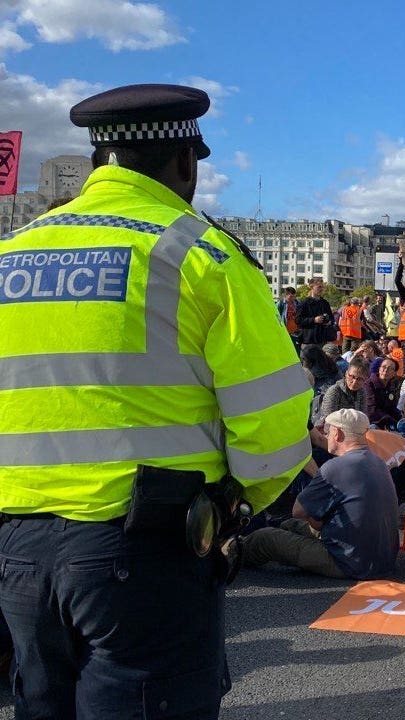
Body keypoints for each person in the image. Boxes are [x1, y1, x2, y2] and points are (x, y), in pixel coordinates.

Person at [0, 84, 312, 718]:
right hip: (144, 553)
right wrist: (237, 503)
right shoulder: (200, 254)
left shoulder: (12, 255)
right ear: (185, 163)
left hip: (16, 551)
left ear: (97, 162)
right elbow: (275, 422)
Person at [242, 410, 398, 580]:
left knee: (265, 538)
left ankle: (230, 554)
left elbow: (299, 511)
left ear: (337, 433)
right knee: (289, 525)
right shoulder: (379, 463)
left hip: (349, 561)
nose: (325, 436)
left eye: (327, 431)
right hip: (383, 558)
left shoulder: (335, 467)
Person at [316, 356, 367, 425]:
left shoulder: (362, 392)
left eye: (359, 379)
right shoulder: (334, 391)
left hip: (353, 429)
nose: (354, 382)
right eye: (352, 376)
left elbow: (362, 417)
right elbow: (329, 420)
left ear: (365, 379)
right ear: (346, 374)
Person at [296, 277, 337, 348]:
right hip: (309, 340)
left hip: (323, 340)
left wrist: (328, 321)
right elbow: (298, 320)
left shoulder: (325, 303)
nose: (321, 289)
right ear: (312, 287)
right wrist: (314, 320)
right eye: (319, 287)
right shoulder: (304, 303)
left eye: (322, 287)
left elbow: (332, 319)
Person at [363, 356, 402, 429]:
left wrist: (401, 418)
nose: (386, 370)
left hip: (387, 422)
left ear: (394, 373)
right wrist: (391, 420)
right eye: (383, 367)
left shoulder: (391, 386)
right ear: (379, 369)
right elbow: (372, 410)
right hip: (371, 422)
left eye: (390, 369)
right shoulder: (369, 385)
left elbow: (392, 408)